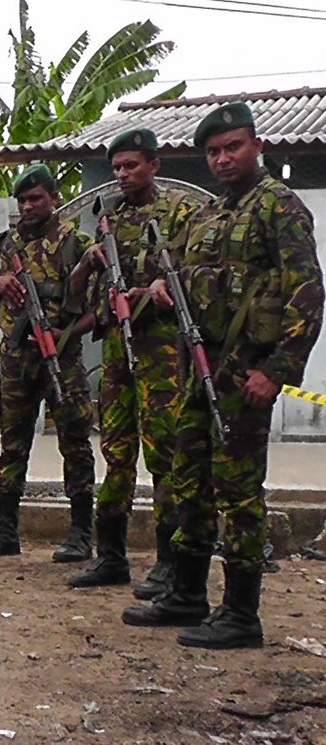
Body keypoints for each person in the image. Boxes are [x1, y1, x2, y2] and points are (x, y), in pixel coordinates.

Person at [122, 102, 323, 649]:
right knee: (188, 482)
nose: (223, 158)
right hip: (199, 370)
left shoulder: (277, 206)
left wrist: (279, 370)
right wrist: (166, 289)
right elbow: (193, 279)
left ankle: (241, 613)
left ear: (257, 146)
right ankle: (187, 594)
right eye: (213, 151)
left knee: (238, 493)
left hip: (244, 375)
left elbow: (306, 291)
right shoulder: (210, 214)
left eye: (232, 146)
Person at [65, 129, 200, 591]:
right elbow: (77, 295)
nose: (122, 175)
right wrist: (89, 262)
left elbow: (195, 271)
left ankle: (168, 559)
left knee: (164, 453)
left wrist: (158, 289)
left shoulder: (180, 213)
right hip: (118, 352)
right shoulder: (110, 218)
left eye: (131, 166)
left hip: (161, 352)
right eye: (117, 168)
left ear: (154, 166)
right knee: (117, 451)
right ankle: (112, 556)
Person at [0, 164, 96, 562]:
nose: (28, 206)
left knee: (74, 442)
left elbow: (102, 309)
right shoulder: (7, 245)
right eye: (22, 200)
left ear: (54, 198)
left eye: (35, 198)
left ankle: (80, 533)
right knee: (12, 446)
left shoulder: (76, 244)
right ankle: (4, 531)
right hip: (17, 361)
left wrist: (65, 336)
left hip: (63, 359)